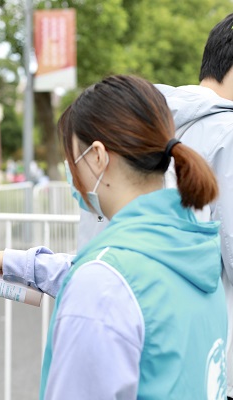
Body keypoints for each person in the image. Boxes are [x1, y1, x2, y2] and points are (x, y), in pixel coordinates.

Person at [0, 75, 227, 399]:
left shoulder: (103, 284)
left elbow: (105, 286)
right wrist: (6, 260)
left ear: (97, 157)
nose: (71, 171)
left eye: (72, 157)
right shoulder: (194, 249)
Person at [76, 13, 233, 397]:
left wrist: (13, 265)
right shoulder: (225, 133)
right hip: (211, 361)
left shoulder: (133, 123)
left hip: (128, 341)